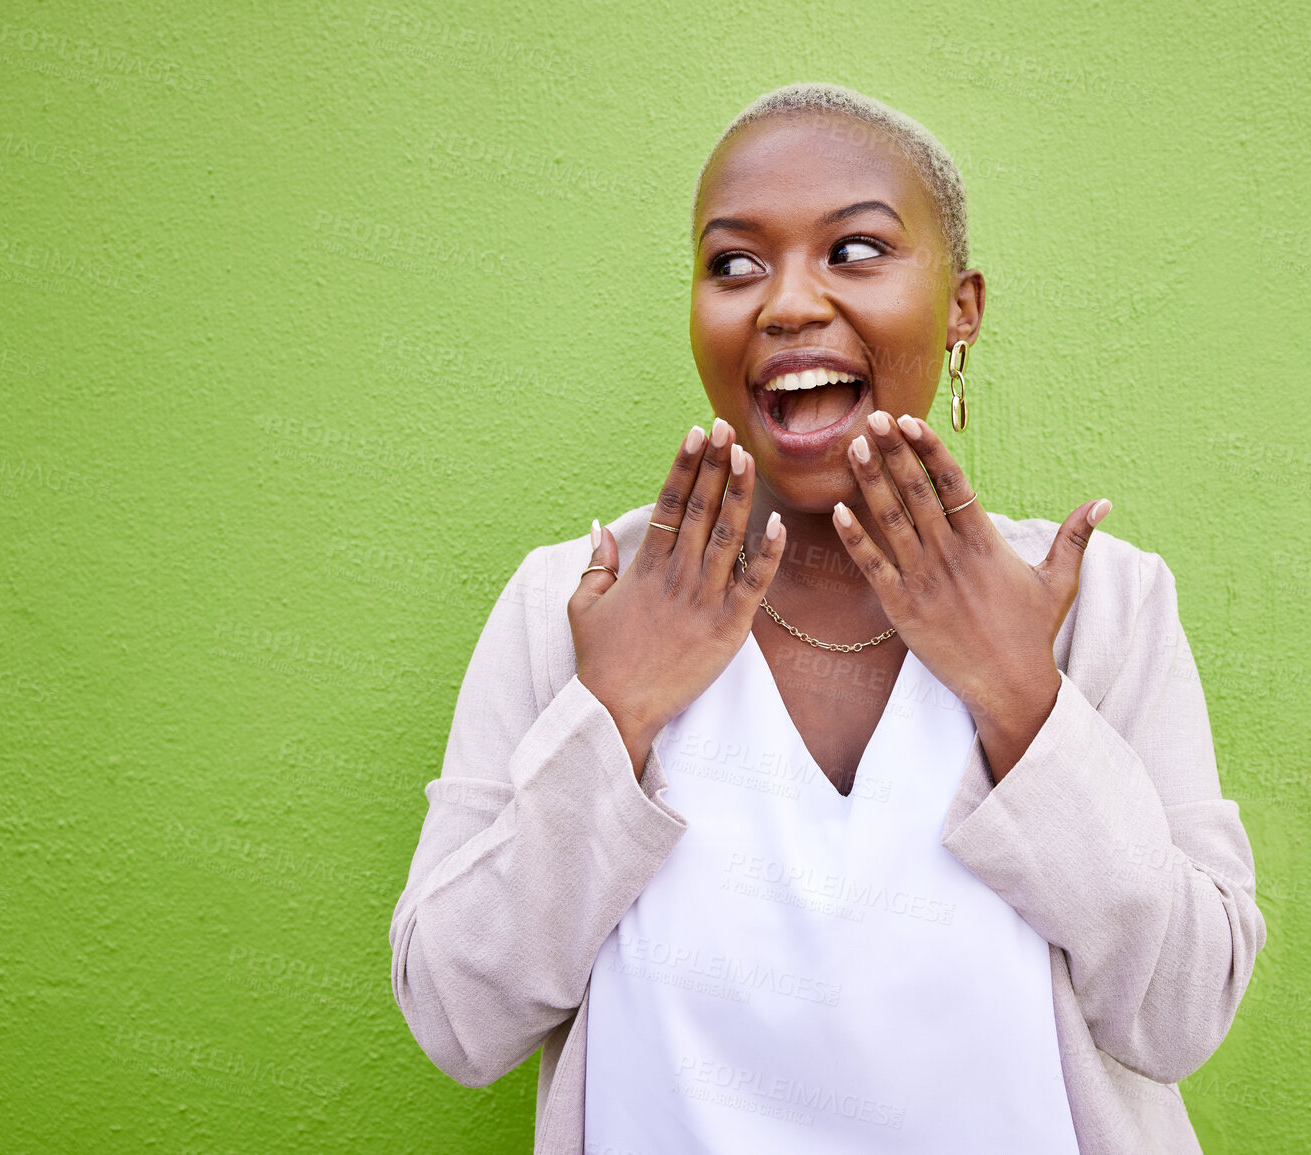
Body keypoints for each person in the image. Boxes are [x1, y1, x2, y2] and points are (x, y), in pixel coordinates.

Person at [390, 82, 1265, 1154]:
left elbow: (1182, 1012)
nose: (786, 303)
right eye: (735, 264)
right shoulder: (578, 603)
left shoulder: (1101, 606)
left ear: (962, 307)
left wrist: (1021, 701)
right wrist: (612, 714)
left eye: (854, 252)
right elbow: (456, 1021)